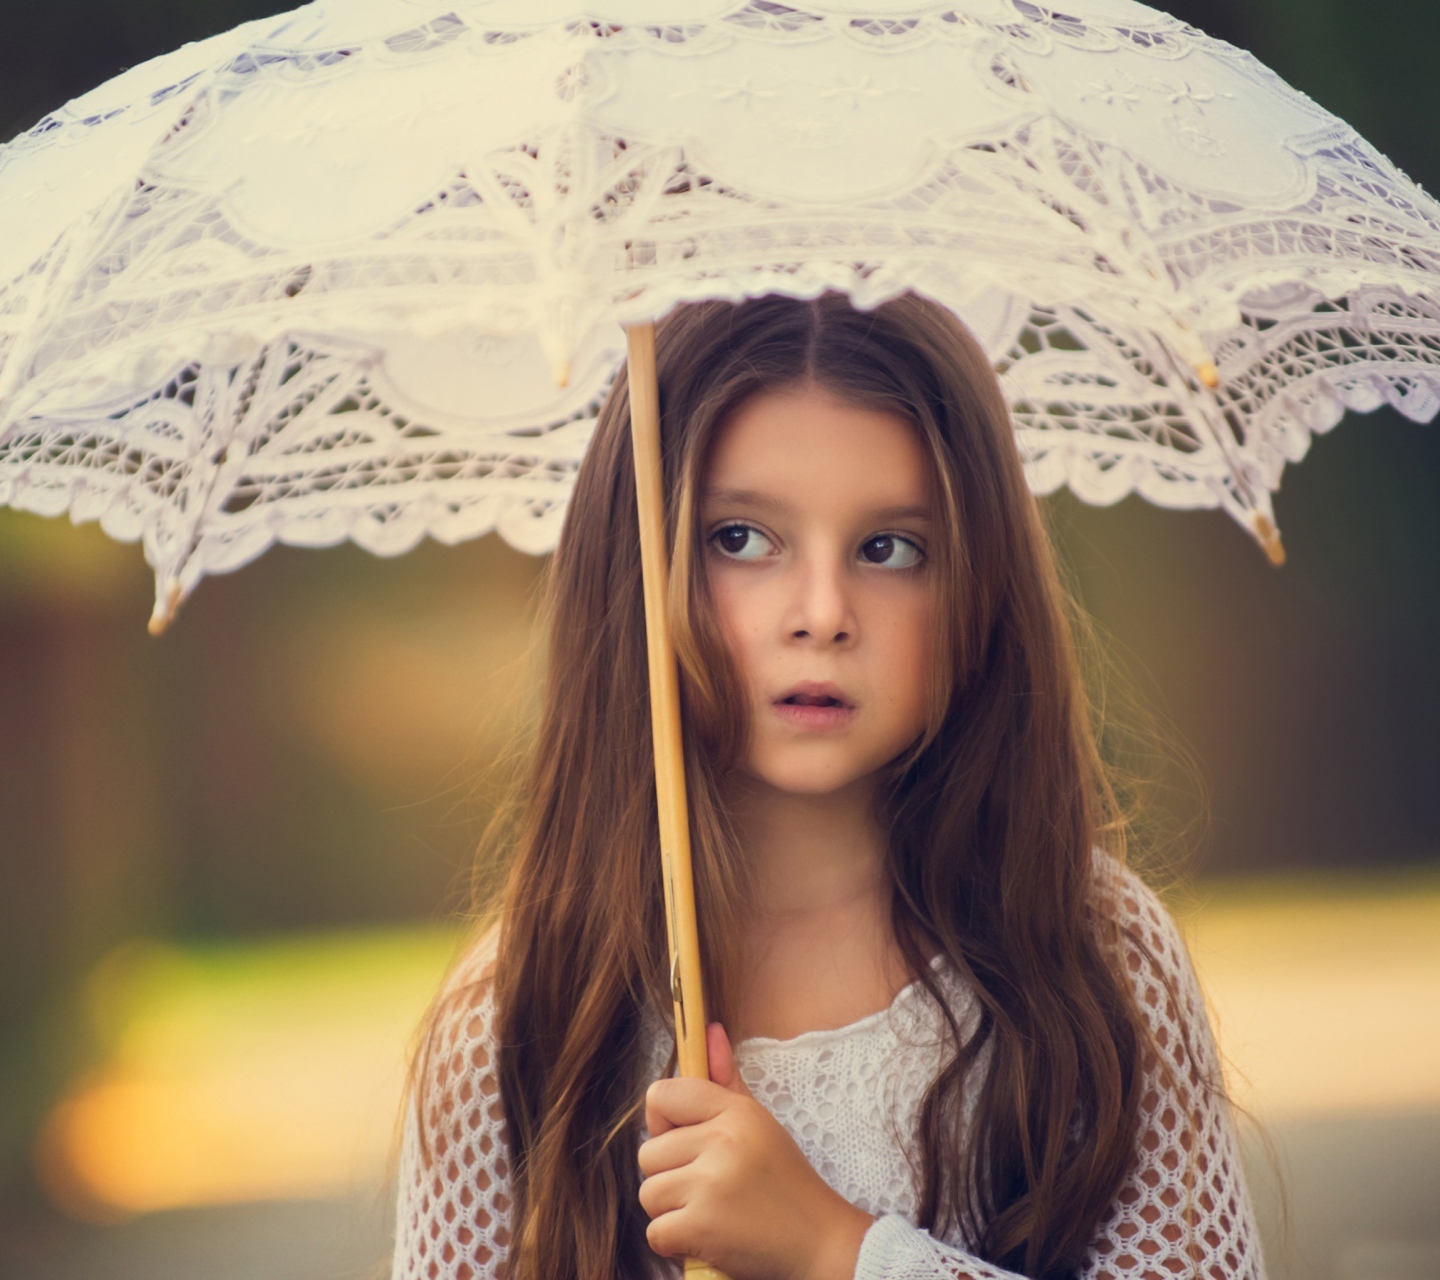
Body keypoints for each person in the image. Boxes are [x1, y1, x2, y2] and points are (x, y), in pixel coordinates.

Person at [390, 293, 1265, 1280]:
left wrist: (834, 1247)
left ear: (980, 582)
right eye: (741, 538)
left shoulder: (1092, 953)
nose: (822, 612)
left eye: (888, 547)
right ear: (635, 560)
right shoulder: (519, 1012)